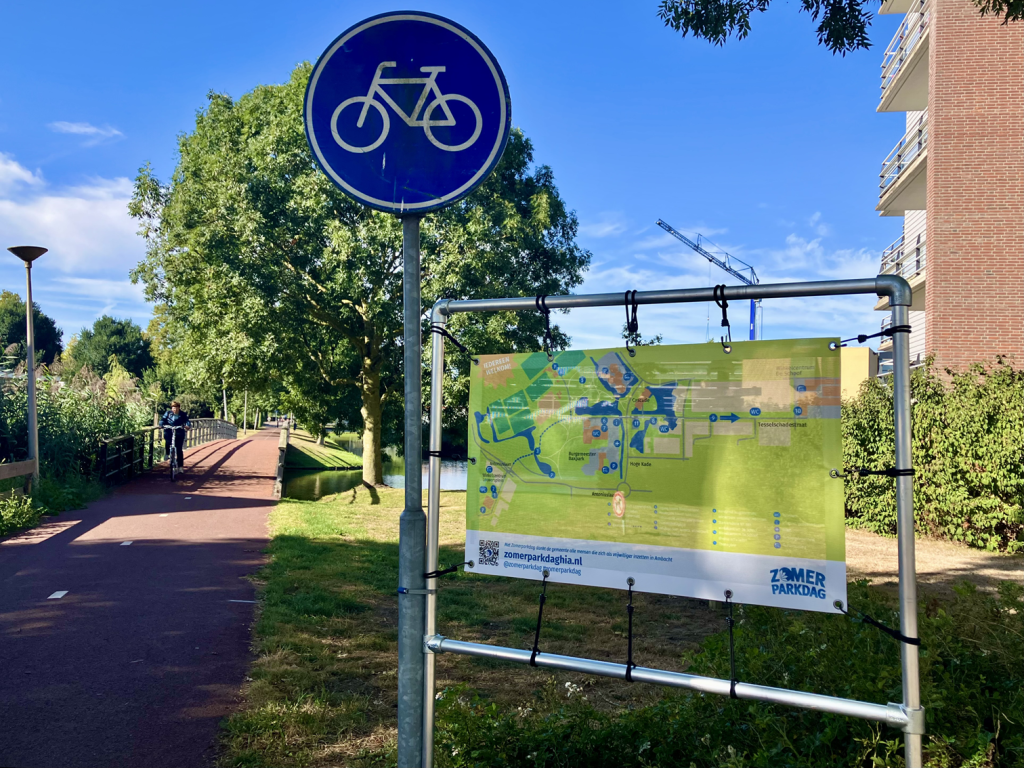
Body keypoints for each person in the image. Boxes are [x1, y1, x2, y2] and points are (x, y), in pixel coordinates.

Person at [160, 401, 191, 471]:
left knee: (179, 449)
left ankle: (180, 467)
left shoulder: (182, 414)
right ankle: (167, 453)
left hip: (179, 432)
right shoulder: (168, 413)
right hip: (169, 431)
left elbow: (187, 421)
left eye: (176, 408)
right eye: (173, 408)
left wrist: (187, 426)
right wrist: (161, 424)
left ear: (179, 408)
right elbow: (163, 419)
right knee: (167, 441)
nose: (175, 409)